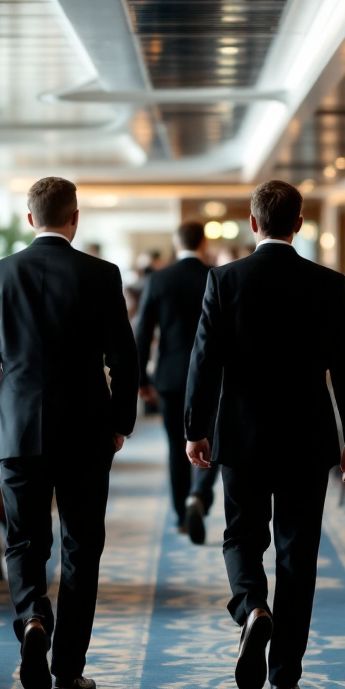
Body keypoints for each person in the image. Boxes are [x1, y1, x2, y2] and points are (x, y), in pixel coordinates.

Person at [184, 180, 345, 689]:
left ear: (253, 222)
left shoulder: (224, 280)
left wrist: (196, 428)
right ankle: (286, 676)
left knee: (241, 536)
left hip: (241, 434)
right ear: (300, 224)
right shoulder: (327, 283)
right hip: (307, 438)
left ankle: (251, 609)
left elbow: (204, 362)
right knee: (298, 553)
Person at [0, 176, 138, 689]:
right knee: (81, 550)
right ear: (75, 218)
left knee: (24, 540)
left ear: (29, 219)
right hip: (86, 430)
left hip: (17, 429)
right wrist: (120, 423)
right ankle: (68, 671)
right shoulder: (101, 274)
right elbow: (125, 357)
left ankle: (33, 616)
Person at [135, 221, 219, 545]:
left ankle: (182, 515)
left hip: (169, 377)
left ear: (176, 242)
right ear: (203, 242)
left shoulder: (159, 279)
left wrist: (142, 378)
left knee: (176, 445)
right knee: (210, 442)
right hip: (212, 378)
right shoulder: (215, 276)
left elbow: (144, 332)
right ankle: (198, 494)